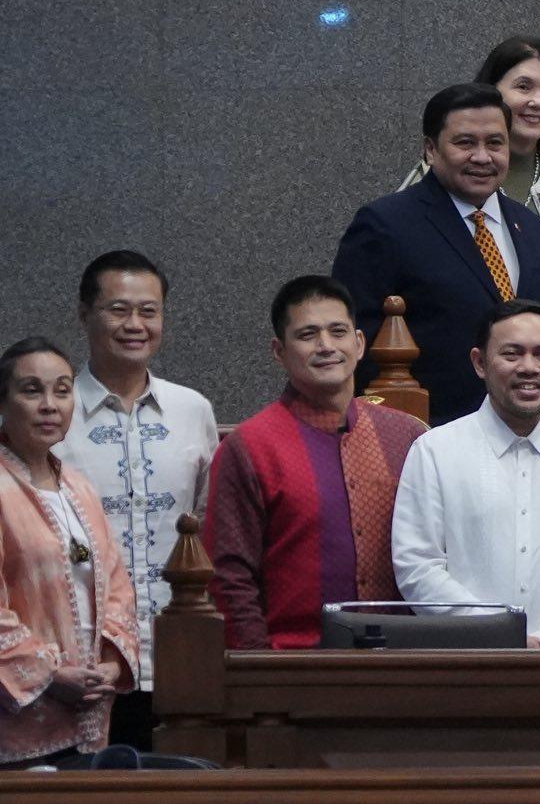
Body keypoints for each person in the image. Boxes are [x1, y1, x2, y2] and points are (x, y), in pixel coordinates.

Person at [392, 301, 540, 649]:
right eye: (512, 354)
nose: (529, 367)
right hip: (465, 669)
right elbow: (417, 566)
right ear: (480, 363)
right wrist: (497, 636)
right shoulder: (434, 452)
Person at [332, 82, 540, 426]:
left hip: (531, 437)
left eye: (495, 143)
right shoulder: (385, 226)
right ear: (431, 150)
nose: (482, 157)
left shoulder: (534, 230)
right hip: (430, 436)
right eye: (465, 143)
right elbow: (355, 346)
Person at [204, 276, 427, 649]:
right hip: (292, 667)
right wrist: (260, 668)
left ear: (358, 344)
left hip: (400, 666)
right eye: (308, 335)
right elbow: (230, 577)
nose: (326, 346)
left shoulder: (407, 437)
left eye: (337, 331)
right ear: (279, 351)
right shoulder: (249, 446)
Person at [51, 250, 215, 747]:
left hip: (176, 653)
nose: (135, 325)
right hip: (80, 659)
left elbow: (206, 523)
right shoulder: (50, 414)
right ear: (84, 315)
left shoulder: (192, 410)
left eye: (149, 311)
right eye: (118, 310)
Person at [399, 36, 540, 423]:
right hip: (444, 408)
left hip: (539, 412)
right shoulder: (431, 182)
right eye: (523, 87)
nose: (537, 101)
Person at [0, 338, 139, 767]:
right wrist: (50, 674)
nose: (49, 405)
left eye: (62, 390)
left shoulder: (80, 486)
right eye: (31, 390)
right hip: (19, 722)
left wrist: (112, 664)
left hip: (89, 713)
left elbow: (117, 585)